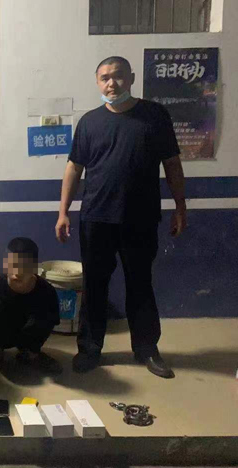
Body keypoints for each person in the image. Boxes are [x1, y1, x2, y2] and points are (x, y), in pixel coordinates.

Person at [55, 56, 186, 379]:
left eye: (118, 76)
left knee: (140, 284)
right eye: (104, 78)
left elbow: (172, 163)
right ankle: (89, 349)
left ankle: (147, 349)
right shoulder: (89, 122)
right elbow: (74, 167)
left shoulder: (154, 115)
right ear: (97, 82)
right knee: (94, 285)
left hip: (140, 218)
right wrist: (63, 212)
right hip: (96, 218)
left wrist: (180, 207)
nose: (111, 83)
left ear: (131, 78)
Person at [0, 237, 61, 377]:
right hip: (3, 332)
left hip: (30, 335)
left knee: (45, 310)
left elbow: (53, 320)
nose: (17, 272)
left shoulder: (46, 291)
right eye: (13, 265)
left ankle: (32, 354)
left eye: (23, 267)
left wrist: (34, 342)